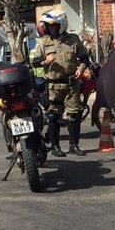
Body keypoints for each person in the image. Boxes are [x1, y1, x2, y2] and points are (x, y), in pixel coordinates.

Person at [30, 10, 91, 157]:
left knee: (75, 115)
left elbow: (84, 57)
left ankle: (74, 145)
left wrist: (82, 68)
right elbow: (34, 61)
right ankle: (56, 147)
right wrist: (45, 61)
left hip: (71, 84)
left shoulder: (73, 40)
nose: (51, 29)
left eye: (54, 26)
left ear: (61, 25)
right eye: (49, 26)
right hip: (53, 85)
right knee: (53, 116)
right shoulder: (44, 41)